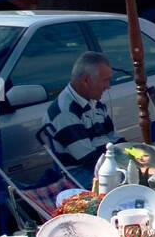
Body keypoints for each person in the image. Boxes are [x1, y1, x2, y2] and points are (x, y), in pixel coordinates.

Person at [44, 52, 123, 187]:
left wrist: (136, 153)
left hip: (101, 163)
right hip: (79, 173)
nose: (108, 86)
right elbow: (88, 159)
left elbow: (114, 139)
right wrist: (126, 163)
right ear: (86, 80)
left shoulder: (94, 102)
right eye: (105, 80)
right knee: (136, 178)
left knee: (144, 172)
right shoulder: (65, 111)